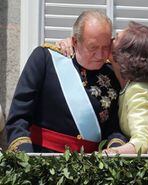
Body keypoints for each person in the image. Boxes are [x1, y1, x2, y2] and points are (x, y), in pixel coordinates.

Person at [6, 10, 126, 153]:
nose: (100, 55)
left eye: (105, 47)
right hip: (42, 159)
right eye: (93, 47)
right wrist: (26, 158)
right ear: (75, 41)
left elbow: (114, 128)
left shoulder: (112, 74)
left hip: (90, 167)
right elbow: (18, 118)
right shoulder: (46, 60)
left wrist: (115, 152)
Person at [104, 21, 148, 154]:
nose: (110, 40)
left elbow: (142, 142)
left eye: (116, 38)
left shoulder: (140, 90)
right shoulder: (136, 85)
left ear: (124, 54)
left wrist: (111, 154)